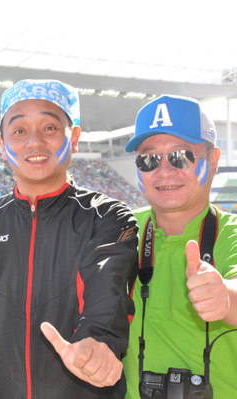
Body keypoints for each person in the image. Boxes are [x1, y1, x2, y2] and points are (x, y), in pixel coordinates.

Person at [0, 79, 138, 398]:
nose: (35, 142)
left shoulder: (107, 217)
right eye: (19, 131)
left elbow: (106, 295)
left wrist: (96, 345)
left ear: (74, 138)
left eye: (49, 127)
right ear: (2, 144)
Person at [122, 95, 237, 398]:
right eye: (148, 159)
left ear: (213, 161)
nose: (163, 171)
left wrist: (225, 298)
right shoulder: (119, 231)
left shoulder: (232, 234)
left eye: (180, 156)